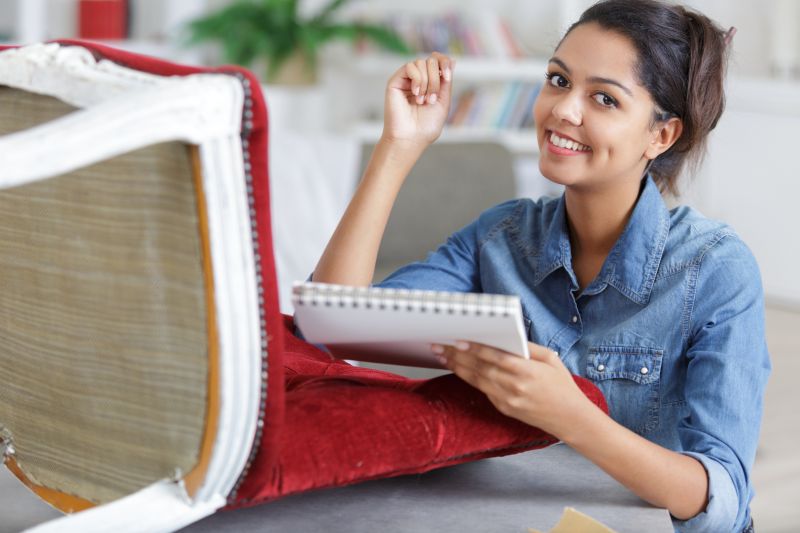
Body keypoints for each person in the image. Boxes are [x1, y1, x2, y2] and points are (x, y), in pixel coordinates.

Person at [310, 1, 770, 531]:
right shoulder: (500, 237)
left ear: (660, 136)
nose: (563, 110)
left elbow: (723, 504)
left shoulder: (715, 269)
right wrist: (399, 146)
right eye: (558, 80)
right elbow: (334, 327)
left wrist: (574, 417)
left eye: (603, 98)